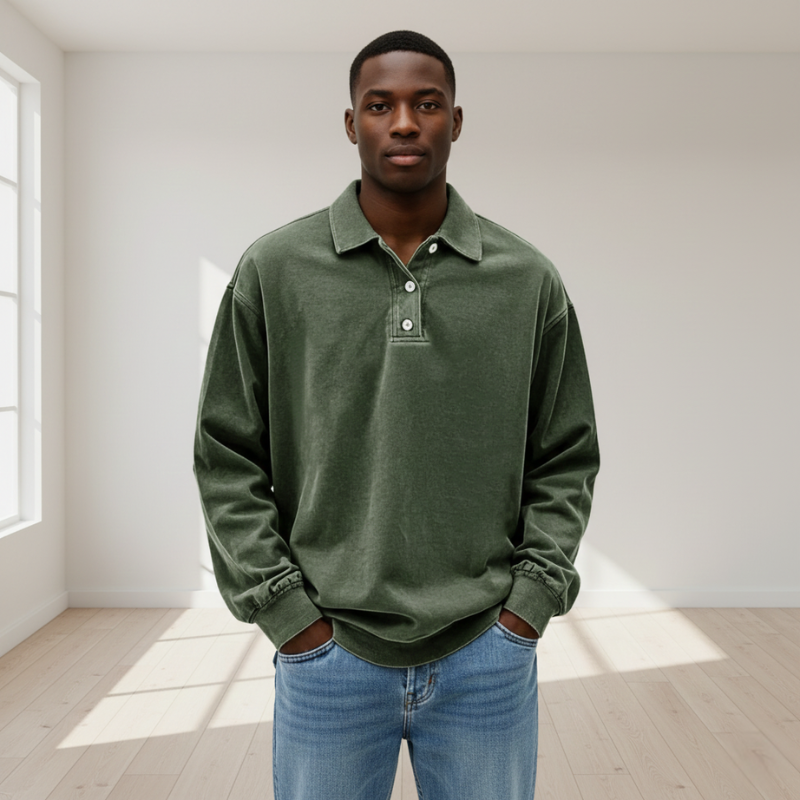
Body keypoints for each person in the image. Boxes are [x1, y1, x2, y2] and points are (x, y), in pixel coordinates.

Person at [193, 29, 600, 800]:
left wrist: (528, 610)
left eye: (427, 104)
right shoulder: (273, 271)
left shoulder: (528, 280)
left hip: (487, 649)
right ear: (351, 123)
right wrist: (290, 618)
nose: (405, 123)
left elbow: (566, 455)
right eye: (380, 105)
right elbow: (226, 454)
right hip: (328, 655)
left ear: (456, 120)